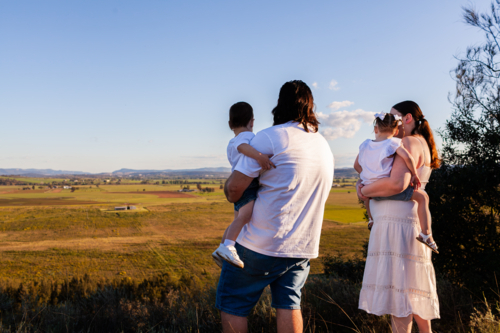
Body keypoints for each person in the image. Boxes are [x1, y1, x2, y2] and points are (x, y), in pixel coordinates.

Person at [216, 80, 334, 333]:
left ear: (279, 104)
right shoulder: (323, 144)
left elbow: (235, 190)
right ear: (310, 107)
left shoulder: (269, 137)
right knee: (290, 305)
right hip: (302, 246)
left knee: (233, 304)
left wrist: (228, 185)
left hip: (261, 243)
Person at [357, 101, 441, 333]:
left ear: (407, 118)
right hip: (404, 222)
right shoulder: (418, 142)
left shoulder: (408, 142)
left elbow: (397, 183)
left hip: (397, 224)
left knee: (399, 299)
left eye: (394, 118)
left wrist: (363, 190)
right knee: (413, 296)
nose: (392, 124)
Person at [354, 112, 438, 253]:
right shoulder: (394, 143)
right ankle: (426, 234)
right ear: (396, 130)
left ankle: (371, 219)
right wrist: (414, 174)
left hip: (370, 190)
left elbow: (356, 165)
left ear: (376, 129)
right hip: (388, 189)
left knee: (367, 197)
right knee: (422, 197)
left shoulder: (365, 144)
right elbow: (408, 158)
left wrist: (366, 177)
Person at [212, 101, 276, 268]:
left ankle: (221, 247)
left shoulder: (230, 143)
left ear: (229, 124)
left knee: (237, 219)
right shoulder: (246, 137)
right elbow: (243, 147)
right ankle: (228, 247)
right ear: (252, 122)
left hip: (237, 182)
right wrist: (260, 156)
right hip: (248, 185)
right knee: (244, 217)